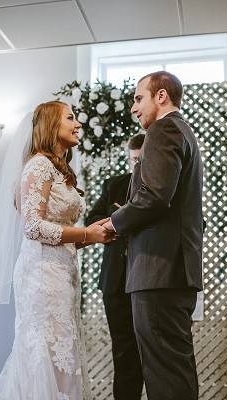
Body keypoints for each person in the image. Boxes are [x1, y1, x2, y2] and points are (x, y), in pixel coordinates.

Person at [0, 101, 115, 400]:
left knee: (62, 350)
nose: (78, 123)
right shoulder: (39, 165)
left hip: (62, 271)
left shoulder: (59, 168)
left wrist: (92, 235)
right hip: (41, 275)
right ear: (51, 125)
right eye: (70, 118)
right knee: (45, 352)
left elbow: (59, 230)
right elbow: (33, 228)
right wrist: (85, 233)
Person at [103, 71, 204, 400]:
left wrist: (115, 222)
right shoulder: (183, 130)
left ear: (161, 96)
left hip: (159, 271)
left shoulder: (165, 128)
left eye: (137, 98)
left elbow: (156, 196)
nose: (133, 108)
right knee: (174, 368)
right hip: (172, 271)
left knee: (165, 375)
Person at [85, 133, 145, 400]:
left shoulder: (167, 185)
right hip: (115, 280)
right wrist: (117, 219)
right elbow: (93, 218)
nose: (138, 165)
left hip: (150, 279)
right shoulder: (114, 185)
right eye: (134, 160)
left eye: (143, 160)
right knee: (123, 350)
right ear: (128, 158)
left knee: (153, 352)